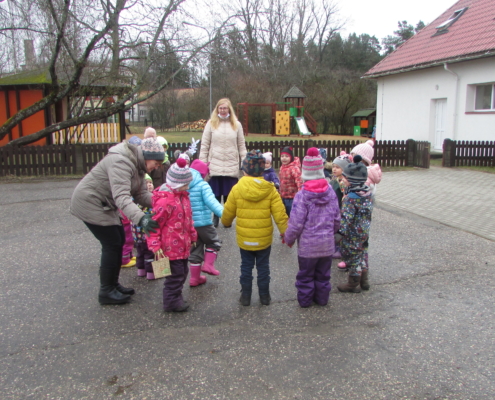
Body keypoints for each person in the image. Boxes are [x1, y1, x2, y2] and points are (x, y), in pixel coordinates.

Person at [70, 137, 163, 305]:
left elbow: (141, 195)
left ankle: (113, 284)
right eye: (156, 163)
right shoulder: (121, 162)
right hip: (91, 201)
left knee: (119, 239)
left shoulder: (139, 167)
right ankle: (106, 290)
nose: (156, 167)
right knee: (112, 243)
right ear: (146, 156)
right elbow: (122, 197)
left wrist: (163, 203)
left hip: (105, 203)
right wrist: (142, 219)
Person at [221, 150, 288, 306]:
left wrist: (226, 222)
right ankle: (265, 296)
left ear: (245, 170)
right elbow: (280, 214)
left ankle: (245, 296)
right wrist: (286, 233)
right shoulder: (270, 189)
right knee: (263, 268)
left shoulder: (237, 189)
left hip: (245, 239)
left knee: (246, 267)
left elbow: (227, 214)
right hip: (263, 239)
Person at [283, 148, 340, 308]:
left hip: (308, 247)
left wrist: (289, 238)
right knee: (323, 275)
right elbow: (336, 218)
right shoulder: (330, 192)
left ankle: (305, 301)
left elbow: (296, 222)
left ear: (305, 173)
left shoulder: (302, 195)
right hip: (327, 245)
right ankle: (322, 300)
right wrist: (331, 233)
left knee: (306, 275)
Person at [146, 158, 197, 312]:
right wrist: (154, 245)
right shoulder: (165, 202)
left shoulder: (183, 197)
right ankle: (171, 302)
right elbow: (153, 225)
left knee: (182, 273)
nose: (187, 187)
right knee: (175, 276)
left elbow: (189, 220)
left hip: (182, 245)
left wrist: (193, 235)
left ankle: (176, 297)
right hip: (169, 248)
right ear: (176, 184)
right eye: (185, 185)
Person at [199, 98, 247, 227]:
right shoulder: (211, 124)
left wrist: (245, 164)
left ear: (229, 109)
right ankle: (215, 217)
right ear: (217, 109)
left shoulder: (236, 125)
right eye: (220, 108)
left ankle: (227, 218)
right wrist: (203, 164)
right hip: (215, 164)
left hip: (231, 165)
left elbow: (241, 145)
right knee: (215, 194)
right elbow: (205, 145)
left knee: (229, 196)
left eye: (225, 108)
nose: (222, 110)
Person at [337, 155, 373, 293]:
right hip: (364, 232)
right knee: (362, 254)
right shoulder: (367, 194)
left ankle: (353, 283)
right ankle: (364, 280)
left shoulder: (351, 199)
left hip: (352, 234)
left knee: (353, 257)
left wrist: (339, 233)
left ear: (352, 180)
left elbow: (346, 218)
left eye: (345, 178)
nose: (342, 179)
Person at [187, 159, 224, 286]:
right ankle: (208, 265)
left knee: (195, 250)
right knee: (214, 242)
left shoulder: (183, 184)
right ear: (203, 174)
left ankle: (194, 278)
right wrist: (225, 215)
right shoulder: (203, 185)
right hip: (204, 224)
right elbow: (212, 202)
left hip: (190, 226)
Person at [133, 174, 156, 280]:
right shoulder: (146, 200)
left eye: (150, 183)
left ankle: (140, 271)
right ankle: (150, 273)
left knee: (140, 253)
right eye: (146, 183)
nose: (149, 185)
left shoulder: (134, 200)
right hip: (146, 233)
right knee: (149, 253)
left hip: (136, 233)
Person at [279, 146, 302, 216]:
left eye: (286, 156)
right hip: (283, 196)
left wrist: (300, 195)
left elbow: (299, 182)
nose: (284, 158)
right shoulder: (282, 167)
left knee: (293, 215)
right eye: (282, 156)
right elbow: (281, 181)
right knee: (285, 216)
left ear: (291, 157)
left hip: (292, 197)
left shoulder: (294, 168)